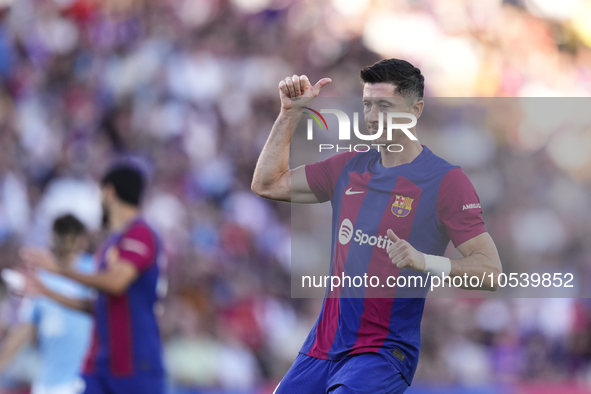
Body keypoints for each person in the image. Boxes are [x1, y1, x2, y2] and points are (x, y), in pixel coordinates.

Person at [251, 59, 503, 394]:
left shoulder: (446, 181)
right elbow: (267, 184)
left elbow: (490, 272)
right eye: (367, 105)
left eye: (384, 106)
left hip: (382, 353)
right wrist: (290, 113)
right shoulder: (349, 166)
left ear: (415, 110)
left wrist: (425, 261)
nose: (371, 117)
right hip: (322, 347)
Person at [21, 165, 166, 394]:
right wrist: (47, 291)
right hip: (101, 366)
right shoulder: (110, 245)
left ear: (109, 192)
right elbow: (100, 305)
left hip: (136, 364)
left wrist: (59, 270)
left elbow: (116, 283)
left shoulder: (140, 233)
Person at [0, 214, 93, 394]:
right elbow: (26, 329)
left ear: (83, 241)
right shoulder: (44, 277)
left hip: (83, 382)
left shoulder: (94, 272)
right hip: (48, 384)